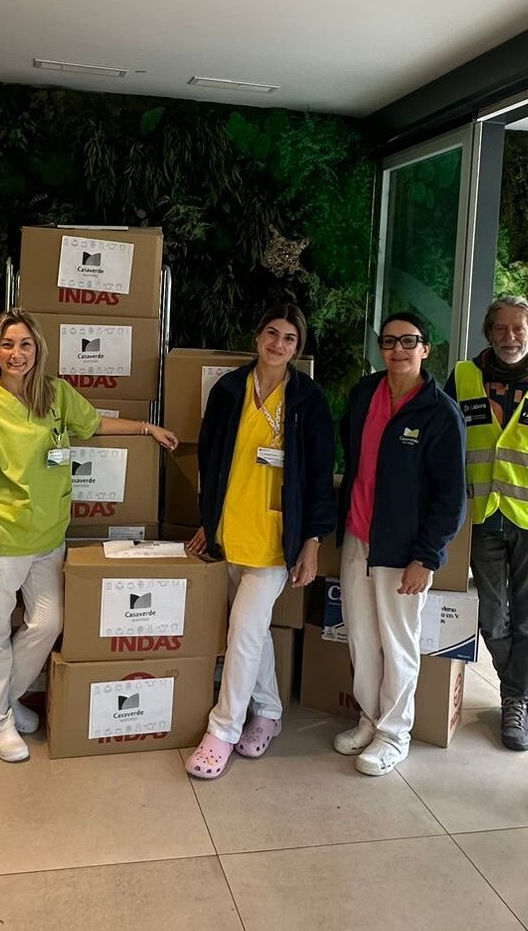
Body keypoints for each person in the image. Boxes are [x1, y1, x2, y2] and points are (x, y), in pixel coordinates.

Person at [0, 308, 179, 763]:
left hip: (49, 538)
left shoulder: (56, 395)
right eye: (7, 345)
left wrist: (145, 427)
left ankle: (4, 702)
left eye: (25, 344)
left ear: (38, 349)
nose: (17, 354)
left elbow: (94, 424)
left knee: (49, 621)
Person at [185, 304, 336, 779]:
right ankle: (268, 711)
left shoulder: (308, 400)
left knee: (243, 631)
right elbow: (209, 461)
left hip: (275, 540)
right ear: (257, 336)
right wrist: (208, 521)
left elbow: (318, 477)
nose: (278, 344)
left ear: (298, 348)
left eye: (289, 338)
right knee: (252, 630)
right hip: (230, 531)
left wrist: (311, 542)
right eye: (272, 333)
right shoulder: (229, 389)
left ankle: (223, 730)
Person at [334, 311, 466, 775]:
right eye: (389, 341)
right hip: (358, 537)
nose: (398, 350)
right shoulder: (364, 394)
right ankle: (369, 720)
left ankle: (394, 734)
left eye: (409, 341)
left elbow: (451, 497)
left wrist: (426, 557)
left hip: (404, 549)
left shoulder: (440, 412)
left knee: (398, 641)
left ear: (425, 349)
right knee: (362, 638)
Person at [444, 296, 528, 752]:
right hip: (481, 516)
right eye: (500, 328)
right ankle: (523, 689)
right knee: (491, 616)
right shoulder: (464, 377)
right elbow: (446, 447)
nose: (509, 337)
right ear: (488, 332)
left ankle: (514, 701)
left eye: (519, 328)